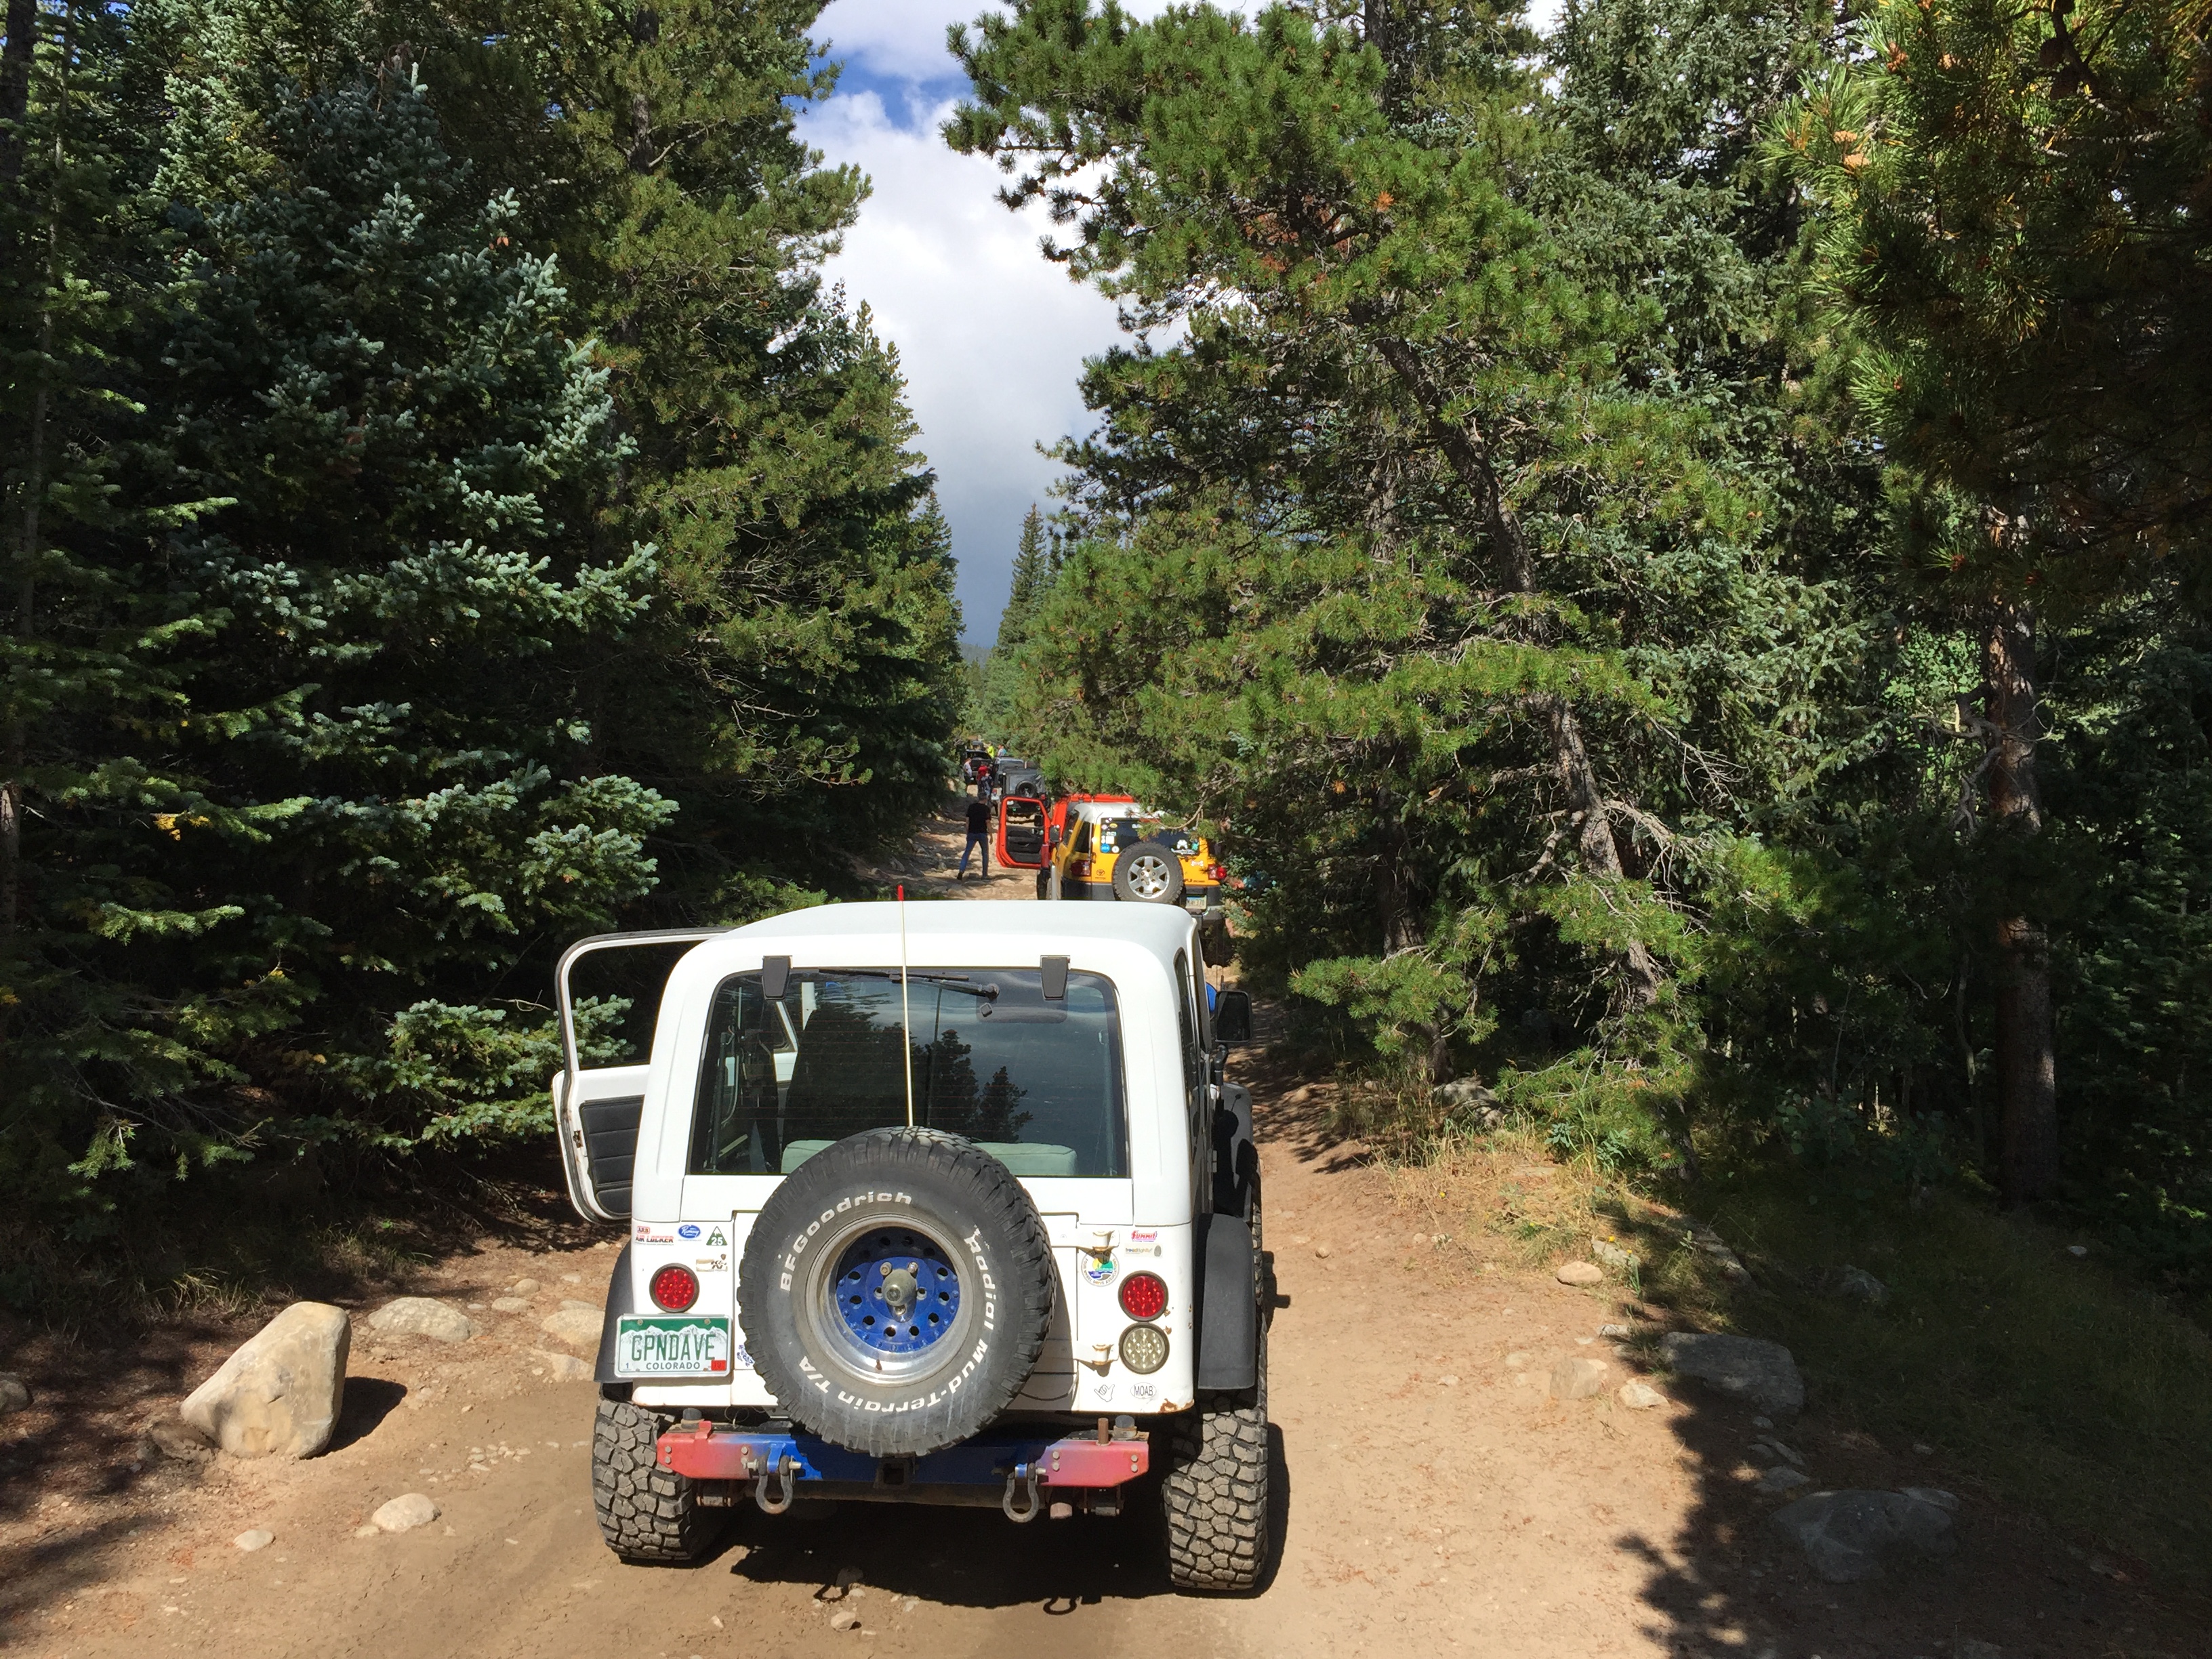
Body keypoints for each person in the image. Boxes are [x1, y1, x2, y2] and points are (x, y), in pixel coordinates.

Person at [957, 794, 992, 880]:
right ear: (986, 799)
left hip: (972, 833)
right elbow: (988, 822)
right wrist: (991, 835)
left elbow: (967, 821)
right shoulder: (986, 809)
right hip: (982, 833)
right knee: (985, 854)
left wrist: (968, 832)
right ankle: (984, 875)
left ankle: (961, 871)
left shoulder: (971, 807)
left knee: (967, 853)